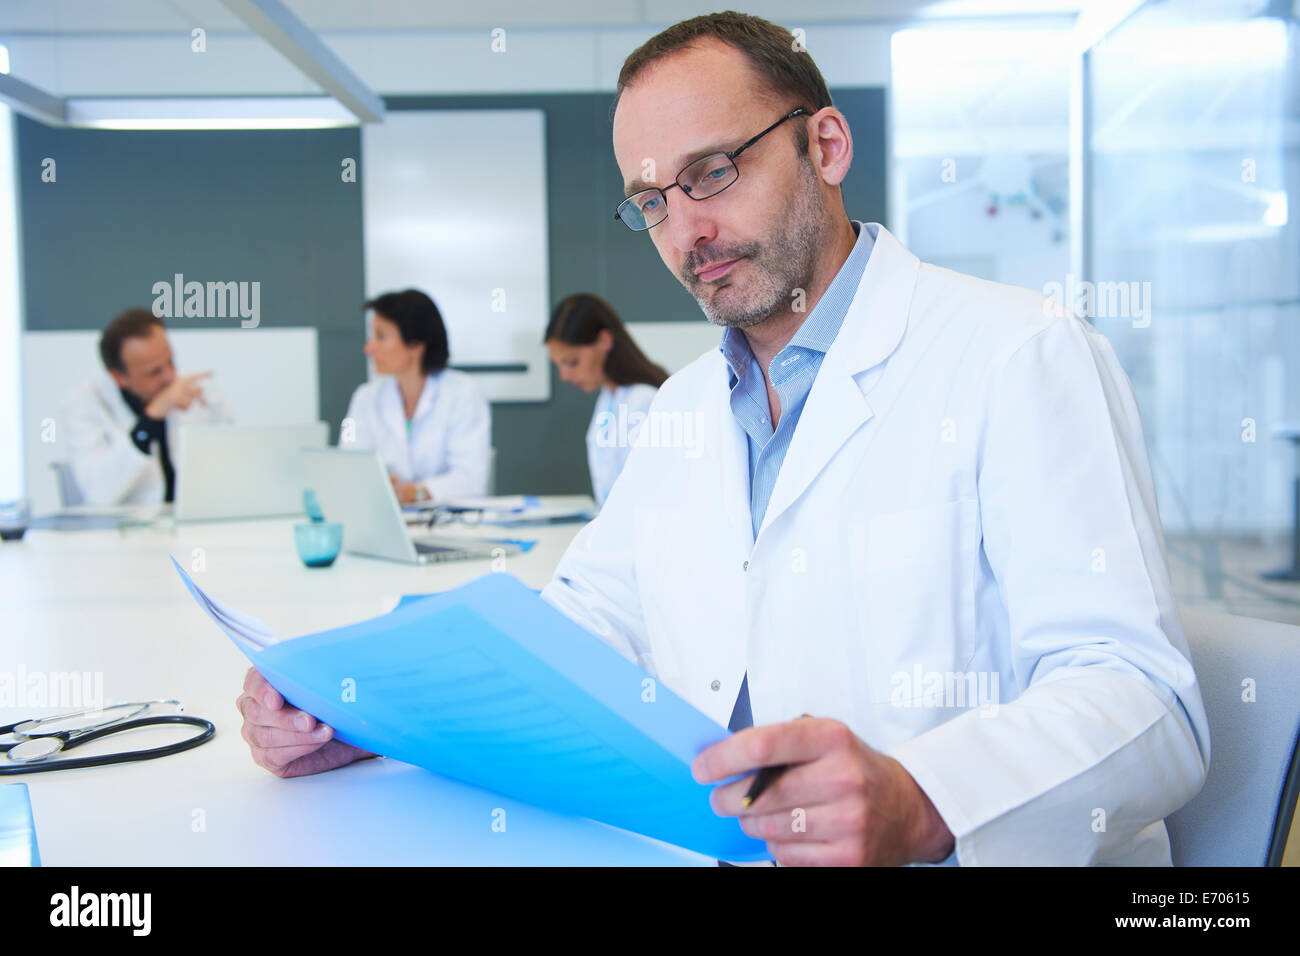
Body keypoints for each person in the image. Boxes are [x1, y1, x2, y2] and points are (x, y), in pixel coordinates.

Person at [236, 12, 1209, 867]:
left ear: (824, 144)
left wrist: (923, 797)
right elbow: (585, 626)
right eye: (652, 199)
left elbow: (1144, 702)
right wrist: (378, 713)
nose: (685, 230)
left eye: (711, 171)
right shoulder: (688, 406)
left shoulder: (1019, 353)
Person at [60, 308, 229, 507]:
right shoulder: (84, 404)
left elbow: (229, 467)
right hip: (122, 532)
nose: (169, 376)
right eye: (154, 372)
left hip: (193, 525)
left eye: (170, 362)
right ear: (119, 377)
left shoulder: (197, 391)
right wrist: (150, 419)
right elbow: (99, 493)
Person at [341, 289, 491, 505]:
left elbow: (471, 480)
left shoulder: (463, 394)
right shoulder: (364, 398)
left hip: (448, 524)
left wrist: (412, 493)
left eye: (381, 337)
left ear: (416, 344)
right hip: (384, 520)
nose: (369, 348)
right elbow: (348, 466)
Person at [545, 293, 668, 507]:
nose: (564, 376)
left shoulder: (643, 401)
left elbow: (649, 498)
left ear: (604, 340)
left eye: (572, 362)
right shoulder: (610, 397)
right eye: (559, 365)